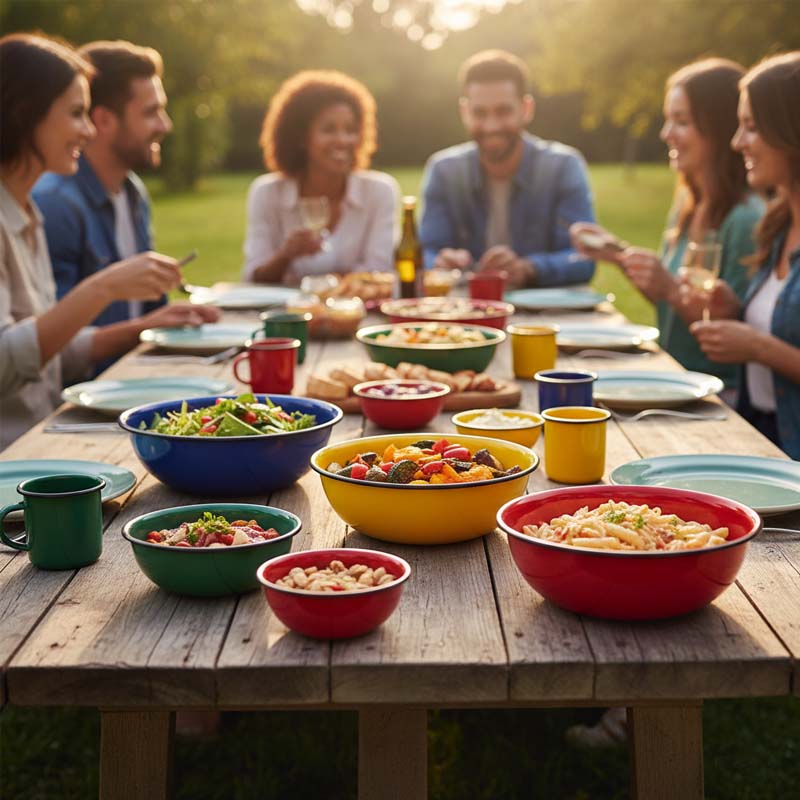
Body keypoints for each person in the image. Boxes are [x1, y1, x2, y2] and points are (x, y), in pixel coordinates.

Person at [0, 33, 202, 450]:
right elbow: (6, 359)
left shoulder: (26, 214)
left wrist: (145, 325)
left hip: (42, 442)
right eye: (76, 114)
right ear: (25, 114)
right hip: (20, 456)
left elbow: (47, 353)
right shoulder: (37, 208)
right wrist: (105, 286)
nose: (88, 130)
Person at [572, 58, 763, 394]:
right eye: (668, 120)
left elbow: (733, 336)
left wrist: (670, 289)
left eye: (682, 121)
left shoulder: (744, 220)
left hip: (720, 395)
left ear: (718, 129)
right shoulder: (688, 206)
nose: (666, 134)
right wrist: (617, 253)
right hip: (674, 378)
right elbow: (671, 306)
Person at [32, 40, 212, 339]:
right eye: (151, 112)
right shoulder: (56, 204)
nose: (165, 125)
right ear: (104, 120)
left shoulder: (133, 193)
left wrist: (167, 318)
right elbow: (50, 343)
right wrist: (143, 328)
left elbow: (143, 313)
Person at [691, 52, 800, 459]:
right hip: (762, 438)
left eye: (751, 127)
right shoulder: (777, 226)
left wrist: (757, 347)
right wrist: (735, 310)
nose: (737, 142)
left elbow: (770, 346)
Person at [419, 49, 595, 289]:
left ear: (526, 109)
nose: (491, 126)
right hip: (466, 315)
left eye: (503, 111)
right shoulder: (444, 171)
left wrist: (528, 268)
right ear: (464, 112)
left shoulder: (563, 166)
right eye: (479, 113)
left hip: (546, 316)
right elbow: (424, 251)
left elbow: (584, 258)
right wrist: (439, 261)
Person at [243, 70, 400, 286]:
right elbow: (254, 276)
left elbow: (379, 270)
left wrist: (323, 289)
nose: (343, 140)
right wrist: (285, 256)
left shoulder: (380, 191)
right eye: (329, 129)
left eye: (350, 130)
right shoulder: (267, 193)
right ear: (301, 138)